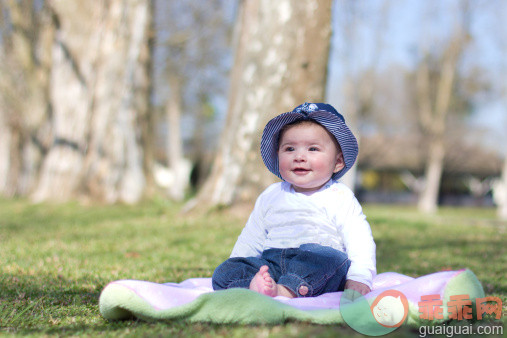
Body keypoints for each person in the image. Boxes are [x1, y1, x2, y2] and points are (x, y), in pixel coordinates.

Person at [212, 102, 376, 298]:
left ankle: (284, 291)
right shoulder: (271, 195)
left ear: (338, 162)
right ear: (278, 154)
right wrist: (240, 264)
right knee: (225, 272)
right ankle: (255, 286)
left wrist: (360, 277)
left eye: (313, 149)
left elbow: (359, 238)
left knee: (330, 259)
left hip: (316, 261)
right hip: (272, 262)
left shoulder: (340, 196)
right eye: (289, 149)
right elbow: (251, 237)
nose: (299, 156)